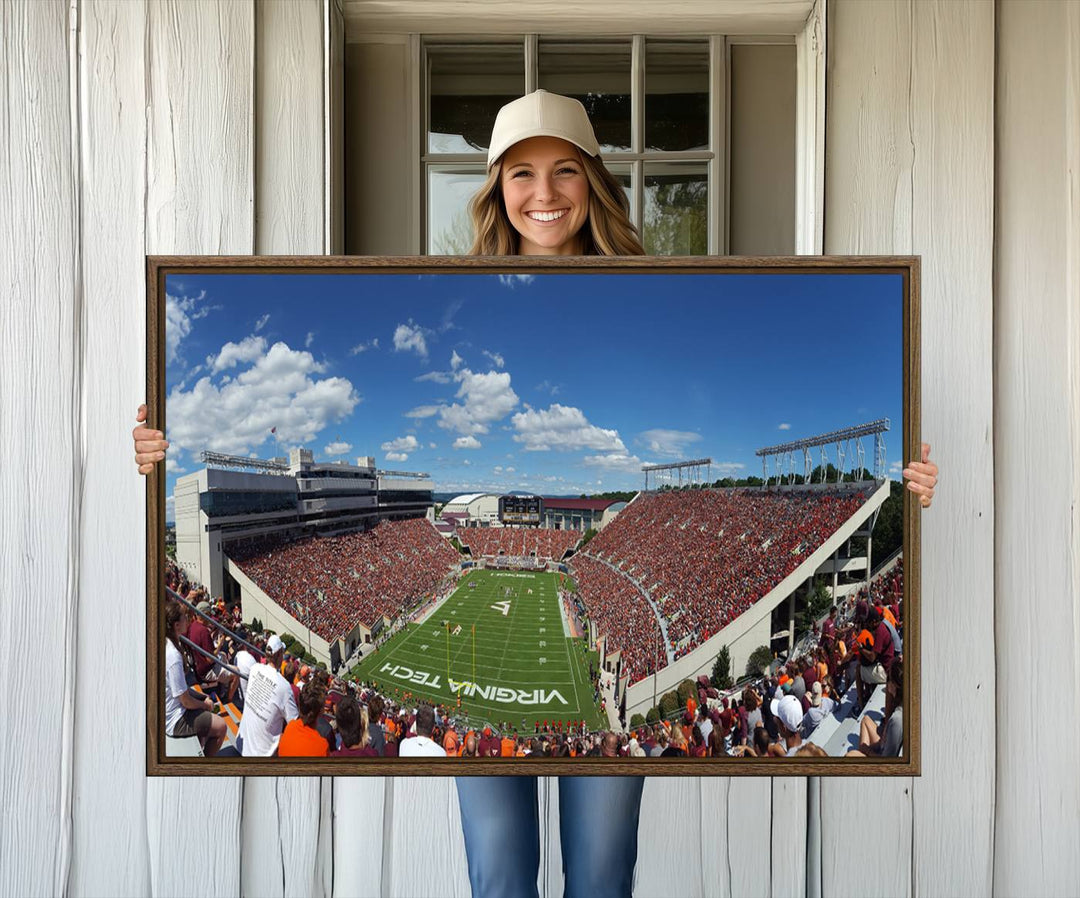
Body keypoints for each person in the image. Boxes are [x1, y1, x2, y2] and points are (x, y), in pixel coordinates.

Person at [133, 88, 939, 898]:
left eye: (563, 171)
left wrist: (909, 483)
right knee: (500, 877)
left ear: (592, 181)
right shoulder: (460, 290)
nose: (544, 193)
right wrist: (159, 448)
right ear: (495, 188)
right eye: (521, 173)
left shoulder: (648, 288)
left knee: (598, 877)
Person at [164, 601, 227, 756]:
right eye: (185, 617)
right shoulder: (173, 656)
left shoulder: (169, 643)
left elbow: (181, 689)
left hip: (172, 710)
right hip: (175, 719)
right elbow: (184, 700)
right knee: (221, 727)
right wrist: (204, 705)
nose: (188, 619)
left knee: (205, 700)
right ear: (176, 625)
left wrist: (202, 698)